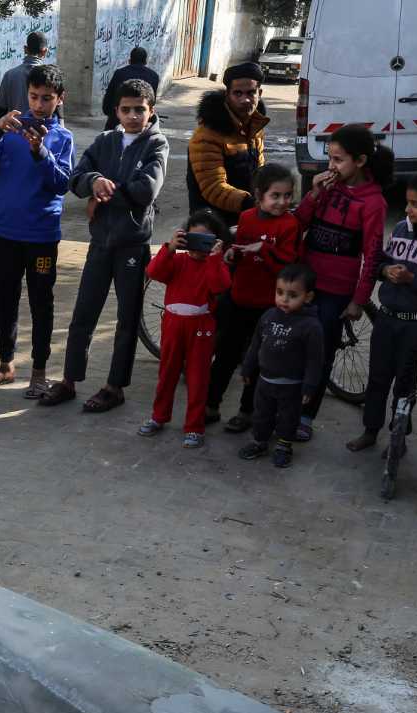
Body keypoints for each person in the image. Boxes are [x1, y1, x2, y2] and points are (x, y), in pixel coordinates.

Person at [41, 79, 167, 412]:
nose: (133, 116)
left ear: (150, 110)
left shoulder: (156, 144)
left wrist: (106, 192)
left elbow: (147, 190)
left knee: (126, 319)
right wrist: (93, 181)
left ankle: (115, 386)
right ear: (116, 111)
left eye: (140, 109)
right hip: (100, 243)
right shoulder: (106, 140)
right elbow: (76, 178)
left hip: (132, 245)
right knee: (84, 312)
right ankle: (69, 380)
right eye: (126, 110)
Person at [0, 64, 74, 397]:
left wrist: (39, 152)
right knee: (5, 301)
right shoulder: (11, 131)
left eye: (47, 98)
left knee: (41, 302)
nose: (39, 104)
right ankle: (6, 364)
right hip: (4, 234)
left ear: (60, 99)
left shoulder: (62, 137)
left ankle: (40, 371)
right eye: (34, 97)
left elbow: (61, 184)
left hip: (41, 238)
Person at [346, 171, 417, 452]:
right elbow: (380, 262)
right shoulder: (401, 228)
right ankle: (370, 429)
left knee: (405, 383)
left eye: (416, 204)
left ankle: (398, 437)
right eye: (408, 203)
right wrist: (386, 270)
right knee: (377, 378)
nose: (408, 209)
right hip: (387, 319)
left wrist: (413, 279)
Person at [294, 123, 391, 441]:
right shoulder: (328, 188)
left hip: (336, 290)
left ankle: (306, 415)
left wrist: (359, 299)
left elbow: (372, 254)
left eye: (338, 160)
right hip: (305, 281)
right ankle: (284, 404)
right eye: (330, 159)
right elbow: (299, 223)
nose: (331, 167)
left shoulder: (373, 203)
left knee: (320, 354)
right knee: (294, 345)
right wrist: (314, 193)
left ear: (360, 161)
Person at [209, 163, 302, 432]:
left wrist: (265, 249)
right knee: (225, 355)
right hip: (239, 299)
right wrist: (232, 254)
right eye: (276, 195)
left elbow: (288, 267)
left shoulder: (289, 225)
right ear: (259, 194)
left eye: (287, 196)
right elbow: (236, 251)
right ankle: (210, 404)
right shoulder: (248, 218)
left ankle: (247, 411)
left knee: (258, 362)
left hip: (269, 307)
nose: (283, 202)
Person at [136, 211, 231, 448]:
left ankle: (194, 426)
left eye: (206, 240)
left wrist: (215, 258)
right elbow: (153, 272)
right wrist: (169, 248)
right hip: (172, 326)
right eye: (194, 239)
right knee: (167, 373)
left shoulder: (215, 265)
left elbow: (220, 286)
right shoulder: (177, 261)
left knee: (198, 378)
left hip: (201, 329)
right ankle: (159, 416)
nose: (200, 246)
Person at [237, 264, 325, 468]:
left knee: (288, 418)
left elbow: (315, 360)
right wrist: (247, 368)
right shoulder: (268, 316)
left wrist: (309, 386)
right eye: (280, 292)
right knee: (261, 415)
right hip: (264, 381)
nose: (284, 299)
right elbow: (255, 344)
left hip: (292, 386)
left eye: (293, 295)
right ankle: (259, 442)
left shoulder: (311, 327)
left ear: (308, 297)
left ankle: (284, 446)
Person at [187, 62, 267, 225]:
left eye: (251, 93)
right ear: (227, 95)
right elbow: (214, 188)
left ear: (260, 93)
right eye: (237, 93)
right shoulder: (207, 135)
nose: (245, 100)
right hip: (212, 224)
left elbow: (260, 171)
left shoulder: (255, 127)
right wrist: (254, 203)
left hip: (246, 218)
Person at [0, 31, 49, 122]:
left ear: (25, 49)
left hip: (14, 131)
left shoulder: (9, 75)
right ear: (45, 51)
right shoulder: (50, 77)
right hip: (41, 132)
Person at [100, 47, 160, 131]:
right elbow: (152, 101)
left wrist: (113, 114)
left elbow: (108, 99)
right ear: (145, 62)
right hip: (141, 123)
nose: (131, 116)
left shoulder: (119, 73)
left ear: (129, 61)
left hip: (116, 121)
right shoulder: (154, 76)